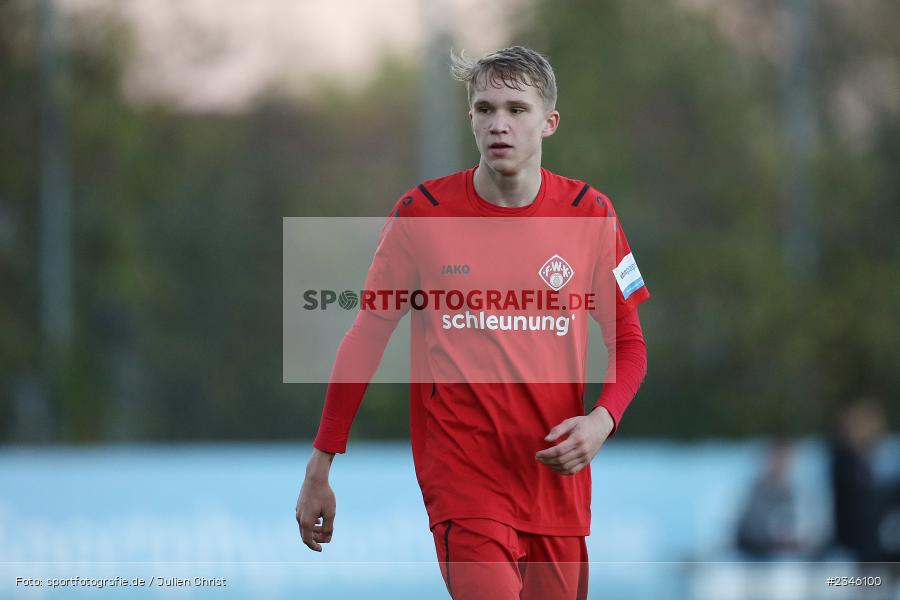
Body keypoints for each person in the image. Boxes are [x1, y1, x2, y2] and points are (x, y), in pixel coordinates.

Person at [295, 46, 650, 600]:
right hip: (464, 479)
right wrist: (322, 462)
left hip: (555, 481)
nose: (498, 124)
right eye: (485, 109)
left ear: (549, 122)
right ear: (470, 119)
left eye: (516, 109)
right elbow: (366, 335)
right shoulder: (422, 213)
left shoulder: (592, 214)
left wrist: (602, 420)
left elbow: (628, 340)